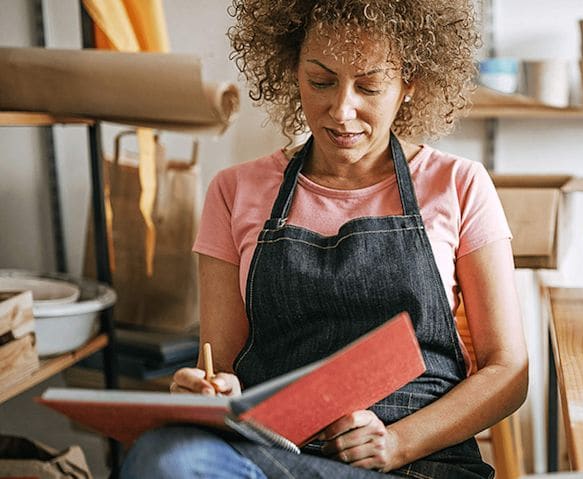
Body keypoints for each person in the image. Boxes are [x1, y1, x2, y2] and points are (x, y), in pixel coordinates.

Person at [120, 1, 527, 477]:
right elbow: (223, 366)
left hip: (418, 462)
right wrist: (211, 395)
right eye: (321, 81)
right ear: (291, 68)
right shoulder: (234, 192)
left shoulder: (458, 184)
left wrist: (395, 443)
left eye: (369, 85)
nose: (341, 108)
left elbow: (508, 371)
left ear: (409, 82)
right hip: (276, 456)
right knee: (163, 454)